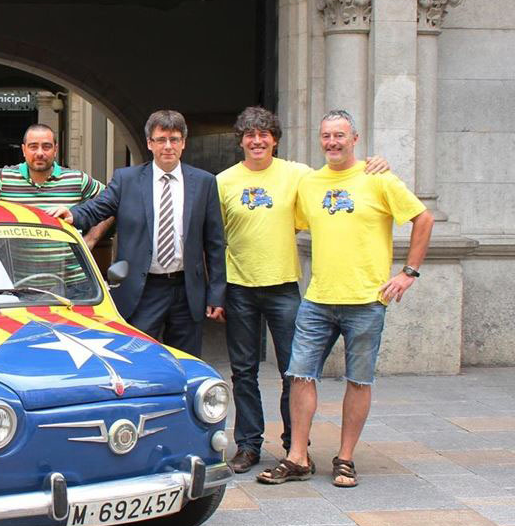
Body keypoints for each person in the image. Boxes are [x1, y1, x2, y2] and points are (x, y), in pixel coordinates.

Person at [258, 109, 432, 489]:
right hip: (318, 298)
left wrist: (408, 273)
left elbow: (423, 218)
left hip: (367, 300)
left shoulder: (378, 178)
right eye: (326, 136)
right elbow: (288, 215)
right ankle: (297, 456)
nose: (332, 142)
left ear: (355, 138)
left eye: (340, 135)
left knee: (358, 380)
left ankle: (346, 458)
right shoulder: (310, 183)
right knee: (299, 374)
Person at [216, 107, 388, 473]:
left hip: (284, 287)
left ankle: (296, 447)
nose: (257, 140)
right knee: (243, 371)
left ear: (275, 139)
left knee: (293, 372)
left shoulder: (299, 175)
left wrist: (376, 163)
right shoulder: (224, 180)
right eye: (249, 135)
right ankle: (247, 445)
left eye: (264, 134)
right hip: (239, 287)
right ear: (241, 141)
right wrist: (216, 292)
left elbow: (340, 176)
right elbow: (215, 240)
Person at [51, 109, 226, 357]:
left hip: (187, 290)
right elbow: (100, 207)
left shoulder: (205, 182)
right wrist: (73, 214)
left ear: (183, 143)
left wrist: (217, 294)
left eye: (174, 139)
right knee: (137, 358)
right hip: (143, 290)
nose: (168, 146)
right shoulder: (127, 179)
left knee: (186, 362)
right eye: (161, 139)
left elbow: (215, 242)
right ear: (149, 143)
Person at [0, 123, 114, 250]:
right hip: (16, 278)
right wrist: (4, 209)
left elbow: (112, 202)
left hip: (70, 278)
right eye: (33, 146)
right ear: (24, 150)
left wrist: (90, 240)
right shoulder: (3, 178)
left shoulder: (77, 180)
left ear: (55, 150)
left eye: (46, 146)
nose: (39, 153)